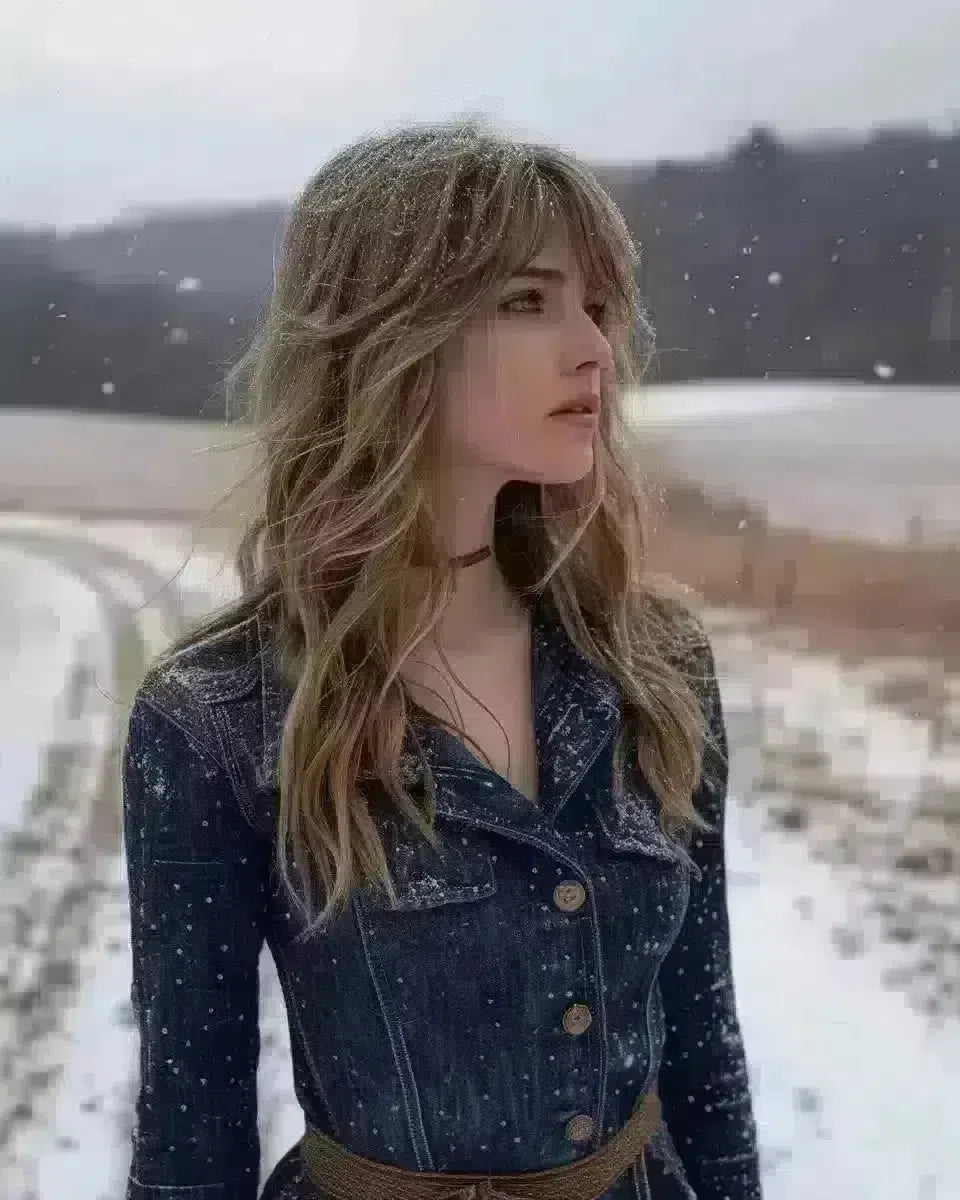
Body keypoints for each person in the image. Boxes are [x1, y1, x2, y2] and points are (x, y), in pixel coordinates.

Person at [121, 119, 762, 1200]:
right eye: (528, 300)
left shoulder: (655, 668)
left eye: (596, 305)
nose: (594, 348)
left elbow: (703, 1050)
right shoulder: (218, 719)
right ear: (388, 334)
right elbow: (194, 1130)